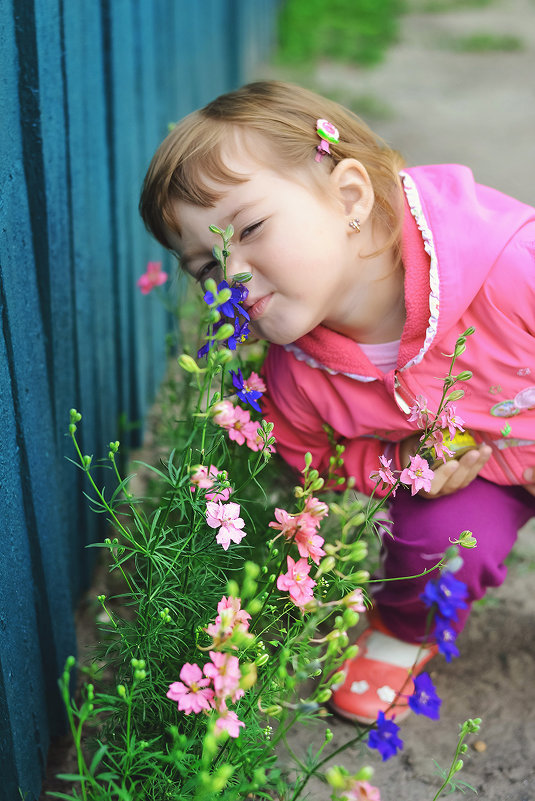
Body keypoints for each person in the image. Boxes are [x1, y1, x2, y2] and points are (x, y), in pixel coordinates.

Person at [139, 80, 535, 724]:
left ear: (348, 195)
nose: (232, 275)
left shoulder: (510, 266)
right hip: (481, 476)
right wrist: (397, 462)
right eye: (205, 267)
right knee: (430, 548)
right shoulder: (297, 372)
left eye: (250, 229)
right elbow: (311, 458)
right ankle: (404, 630)